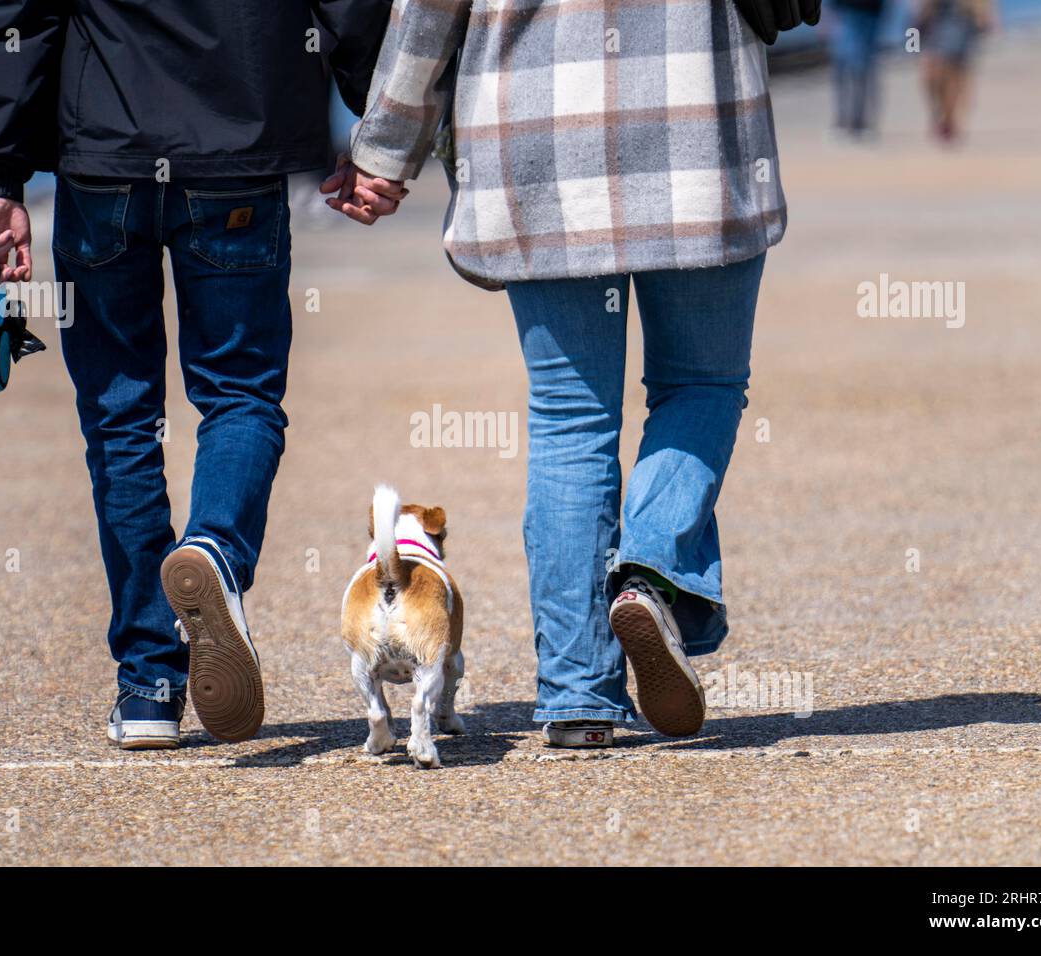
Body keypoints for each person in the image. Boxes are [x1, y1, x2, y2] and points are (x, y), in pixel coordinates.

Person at [0, 1, 392, 749]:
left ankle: (148, 688)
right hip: (239, 149)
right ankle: (217, 553)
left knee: (119, 419)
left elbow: (5, 11)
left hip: (104, 157)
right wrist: (378, 127)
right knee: (240, 395)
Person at [323, 0, 786, 747]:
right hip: (698, 128)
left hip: (537, 140)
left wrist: (383, 151)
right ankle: (650, 575)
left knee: (571, 415)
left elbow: (426, 13)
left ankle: (577, 694)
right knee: (700, 385)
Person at [917, 0, 996, 142]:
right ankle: (943, 115)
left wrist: (986, 14)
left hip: (963, 16)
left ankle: (951, 119)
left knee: (958, 71)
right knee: (932, 72)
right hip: (934, 18)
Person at [830, 0, 887, 138]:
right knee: (848, 69)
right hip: (847, 13)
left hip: (870, 14)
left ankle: (860, 122)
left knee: (862, 70)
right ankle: (846, 121)